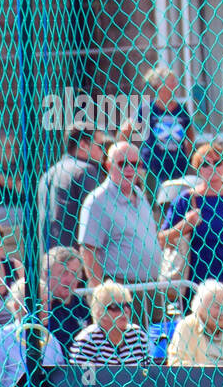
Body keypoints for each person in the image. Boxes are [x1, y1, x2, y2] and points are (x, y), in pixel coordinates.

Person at [78, 141, 170, 323]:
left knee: (156, 347)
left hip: (152, 287)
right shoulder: (98, 201)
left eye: (135, 164)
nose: (129, 168)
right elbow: (88, 250)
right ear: (109, 165)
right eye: (122, 164)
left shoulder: (140, 193)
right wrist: (102, 296)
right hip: (122, 292)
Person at [162, 142, 223, 295]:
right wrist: (184, 225)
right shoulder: (187, 199)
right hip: (199, 284)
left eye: (217, 162)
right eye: (205, 164)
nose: (212, 167)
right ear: (198, 168)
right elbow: (162, 238)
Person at [38, 125, 107, 254]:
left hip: (49, 261)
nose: (104, 151)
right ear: (83, 145)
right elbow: (99, 219)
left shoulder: (47, 175)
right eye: (100, 146)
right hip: (74, 263)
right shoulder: (86, 171)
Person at [69, 281, 153, 367]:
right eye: (116, 306)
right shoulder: (87, 340)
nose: (125, 311)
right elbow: (83, 379)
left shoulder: (137, 335)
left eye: (127, 305)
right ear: (100, 312)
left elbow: (148, 374)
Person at [139, 65, 194, 193]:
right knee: (155, 203)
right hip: (154, 166)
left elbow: (190, 134)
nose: (175, 84)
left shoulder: (181, 109)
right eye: (171, 81)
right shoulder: (147, 108)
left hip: (178, 165)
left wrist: (187, 155)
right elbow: (127, 130)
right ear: (159, 84)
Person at [42, 246, 91, 357]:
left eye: (74, 273)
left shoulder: (82, 306)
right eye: (63, 273)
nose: (69, 280)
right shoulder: (42, 307)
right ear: (47, 274)